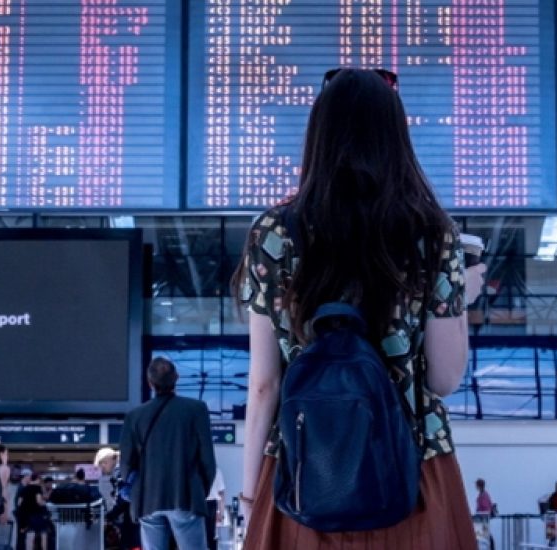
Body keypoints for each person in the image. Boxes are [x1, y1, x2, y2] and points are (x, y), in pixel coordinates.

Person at [233, 67, 487, 549]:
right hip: (413, 471)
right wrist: (461, 301)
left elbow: (265, 385)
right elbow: (443, 379)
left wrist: (250, 497)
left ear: (319, 135)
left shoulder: (274, 233)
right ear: (396, 136)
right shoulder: (434, 234)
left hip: (303, 472)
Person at [119, 357, 216, 550]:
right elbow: (207, 459)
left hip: (147, 499)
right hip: (185, 495)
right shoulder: (196, 409)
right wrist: (200, 490)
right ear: (177, 378)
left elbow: (126, 463)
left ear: (150, 382)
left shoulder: (135, 416)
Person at [16, 473, 48, 550]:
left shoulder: (24, 488)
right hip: (34, 515)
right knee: (43, 532)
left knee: (26, 535)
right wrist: (44, 503)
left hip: (23, 516)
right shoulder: (37, 488)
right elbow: (39, 501)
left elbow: (19, 503)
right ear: (38, 479)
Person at [205, 469, 226, 550]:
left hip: (195, 504)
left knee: (195, 536)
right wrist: (221, 513)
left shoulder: (192, 466)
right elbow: (221, 493)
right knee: (211, 536)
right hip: (211, 505)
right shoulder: (216, 470)